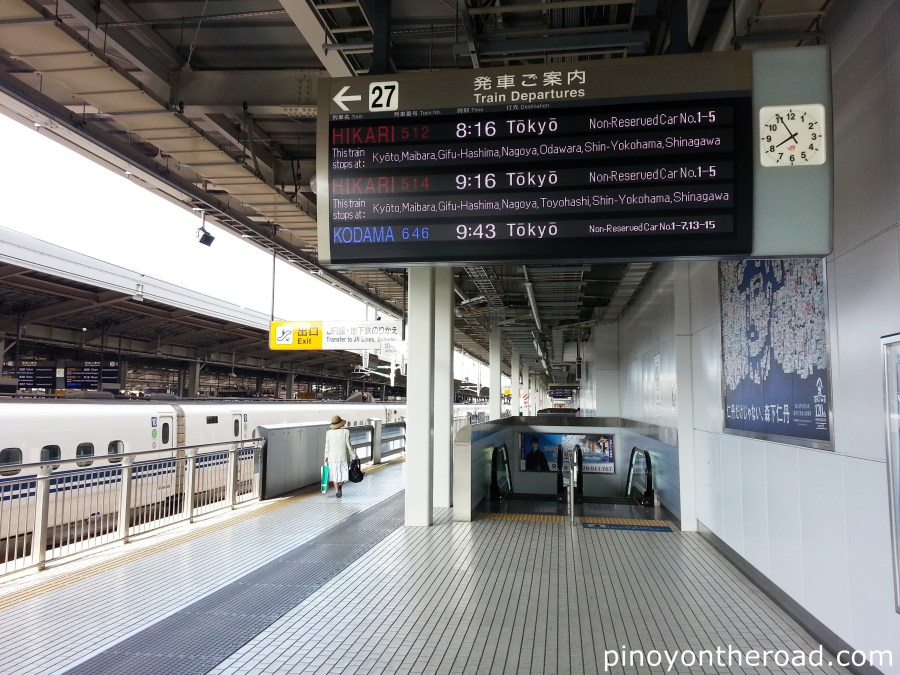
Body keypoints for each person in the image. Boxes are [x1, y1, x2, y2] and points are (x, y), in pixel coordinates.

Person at [324, 415, 355, 497]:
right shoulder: (346, 432)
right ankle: (340, 486)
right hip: (343, 457)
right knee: (343, 475)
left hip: (332, 457)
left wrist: (325, 457)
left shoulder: (328, 433)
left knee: (335, 475)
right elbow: (349, 445)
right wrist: (354, 455)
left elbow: (327, 446)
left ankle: (337, 490)